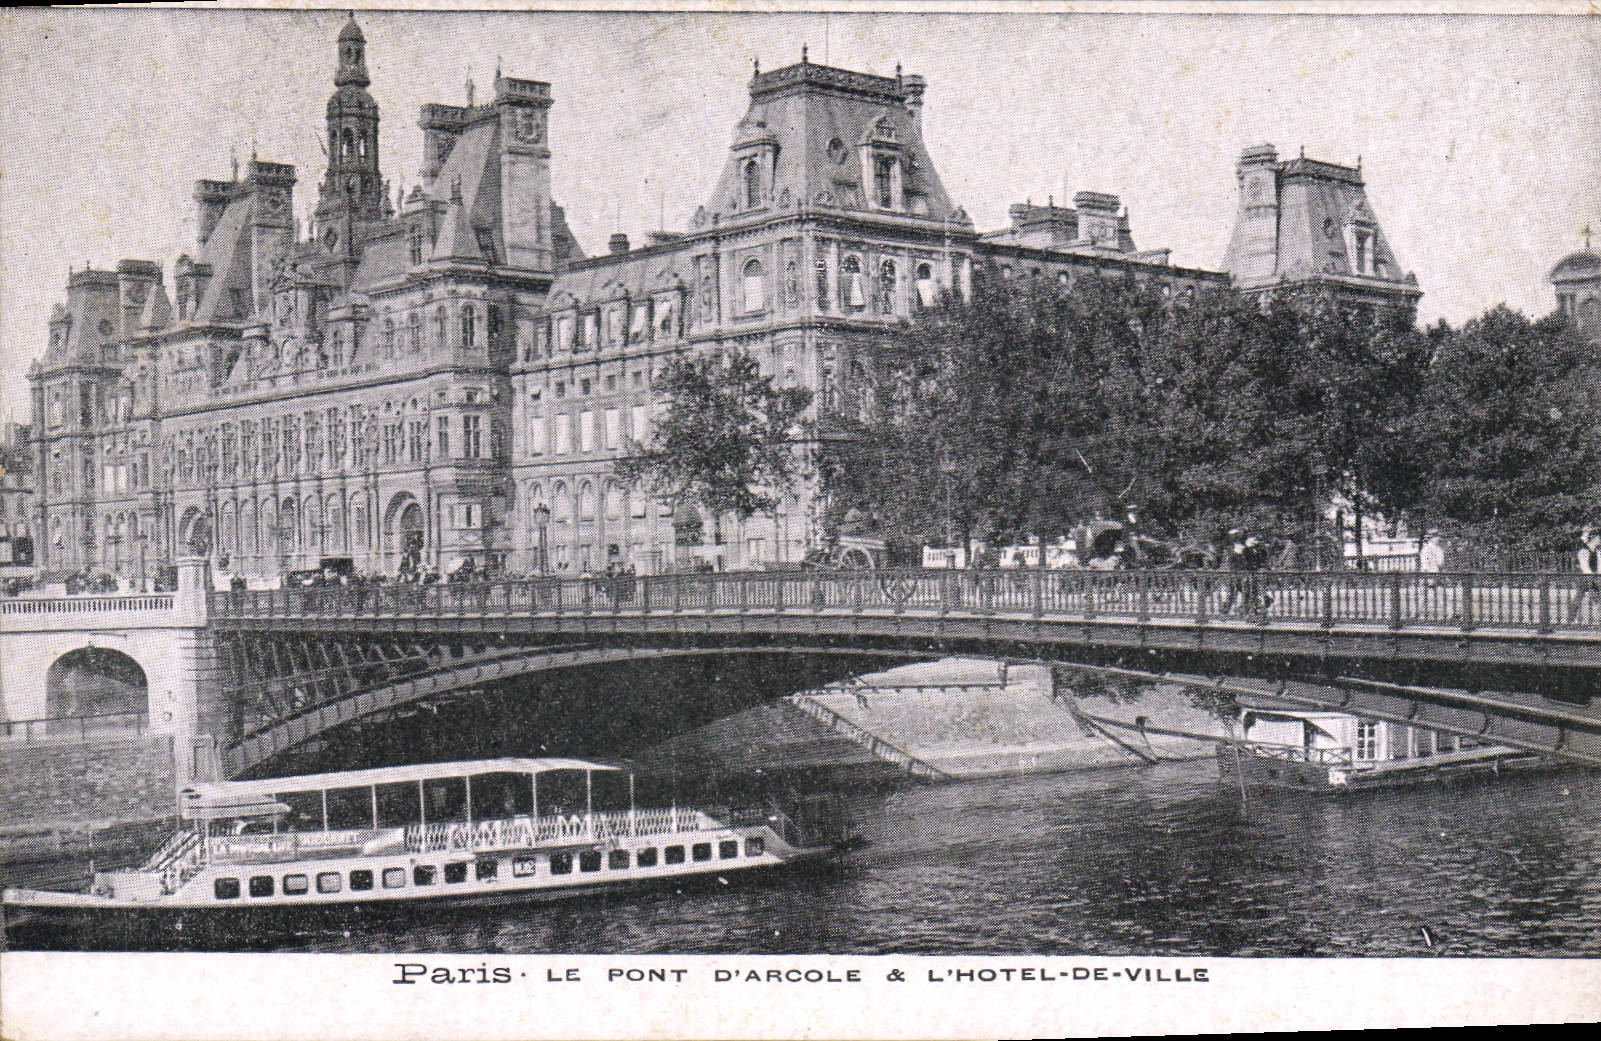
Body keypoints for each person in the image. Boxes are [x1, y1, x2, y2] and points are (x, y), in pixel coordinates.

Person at [1569, 528, 1601, 623]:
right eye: (1599, 538)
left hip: (1593, 577)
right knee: (1579, 596)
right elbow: (1585, 567)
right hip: (1583, 577)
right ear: (1594, 539)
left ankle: (1598, 617)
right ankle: (1571, 618)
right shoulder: (1584, 551)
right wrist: (1594, 579)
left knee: (1597, 596)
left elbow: (1599, 566)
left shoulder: (1597, 551)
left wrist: (1598, 577)